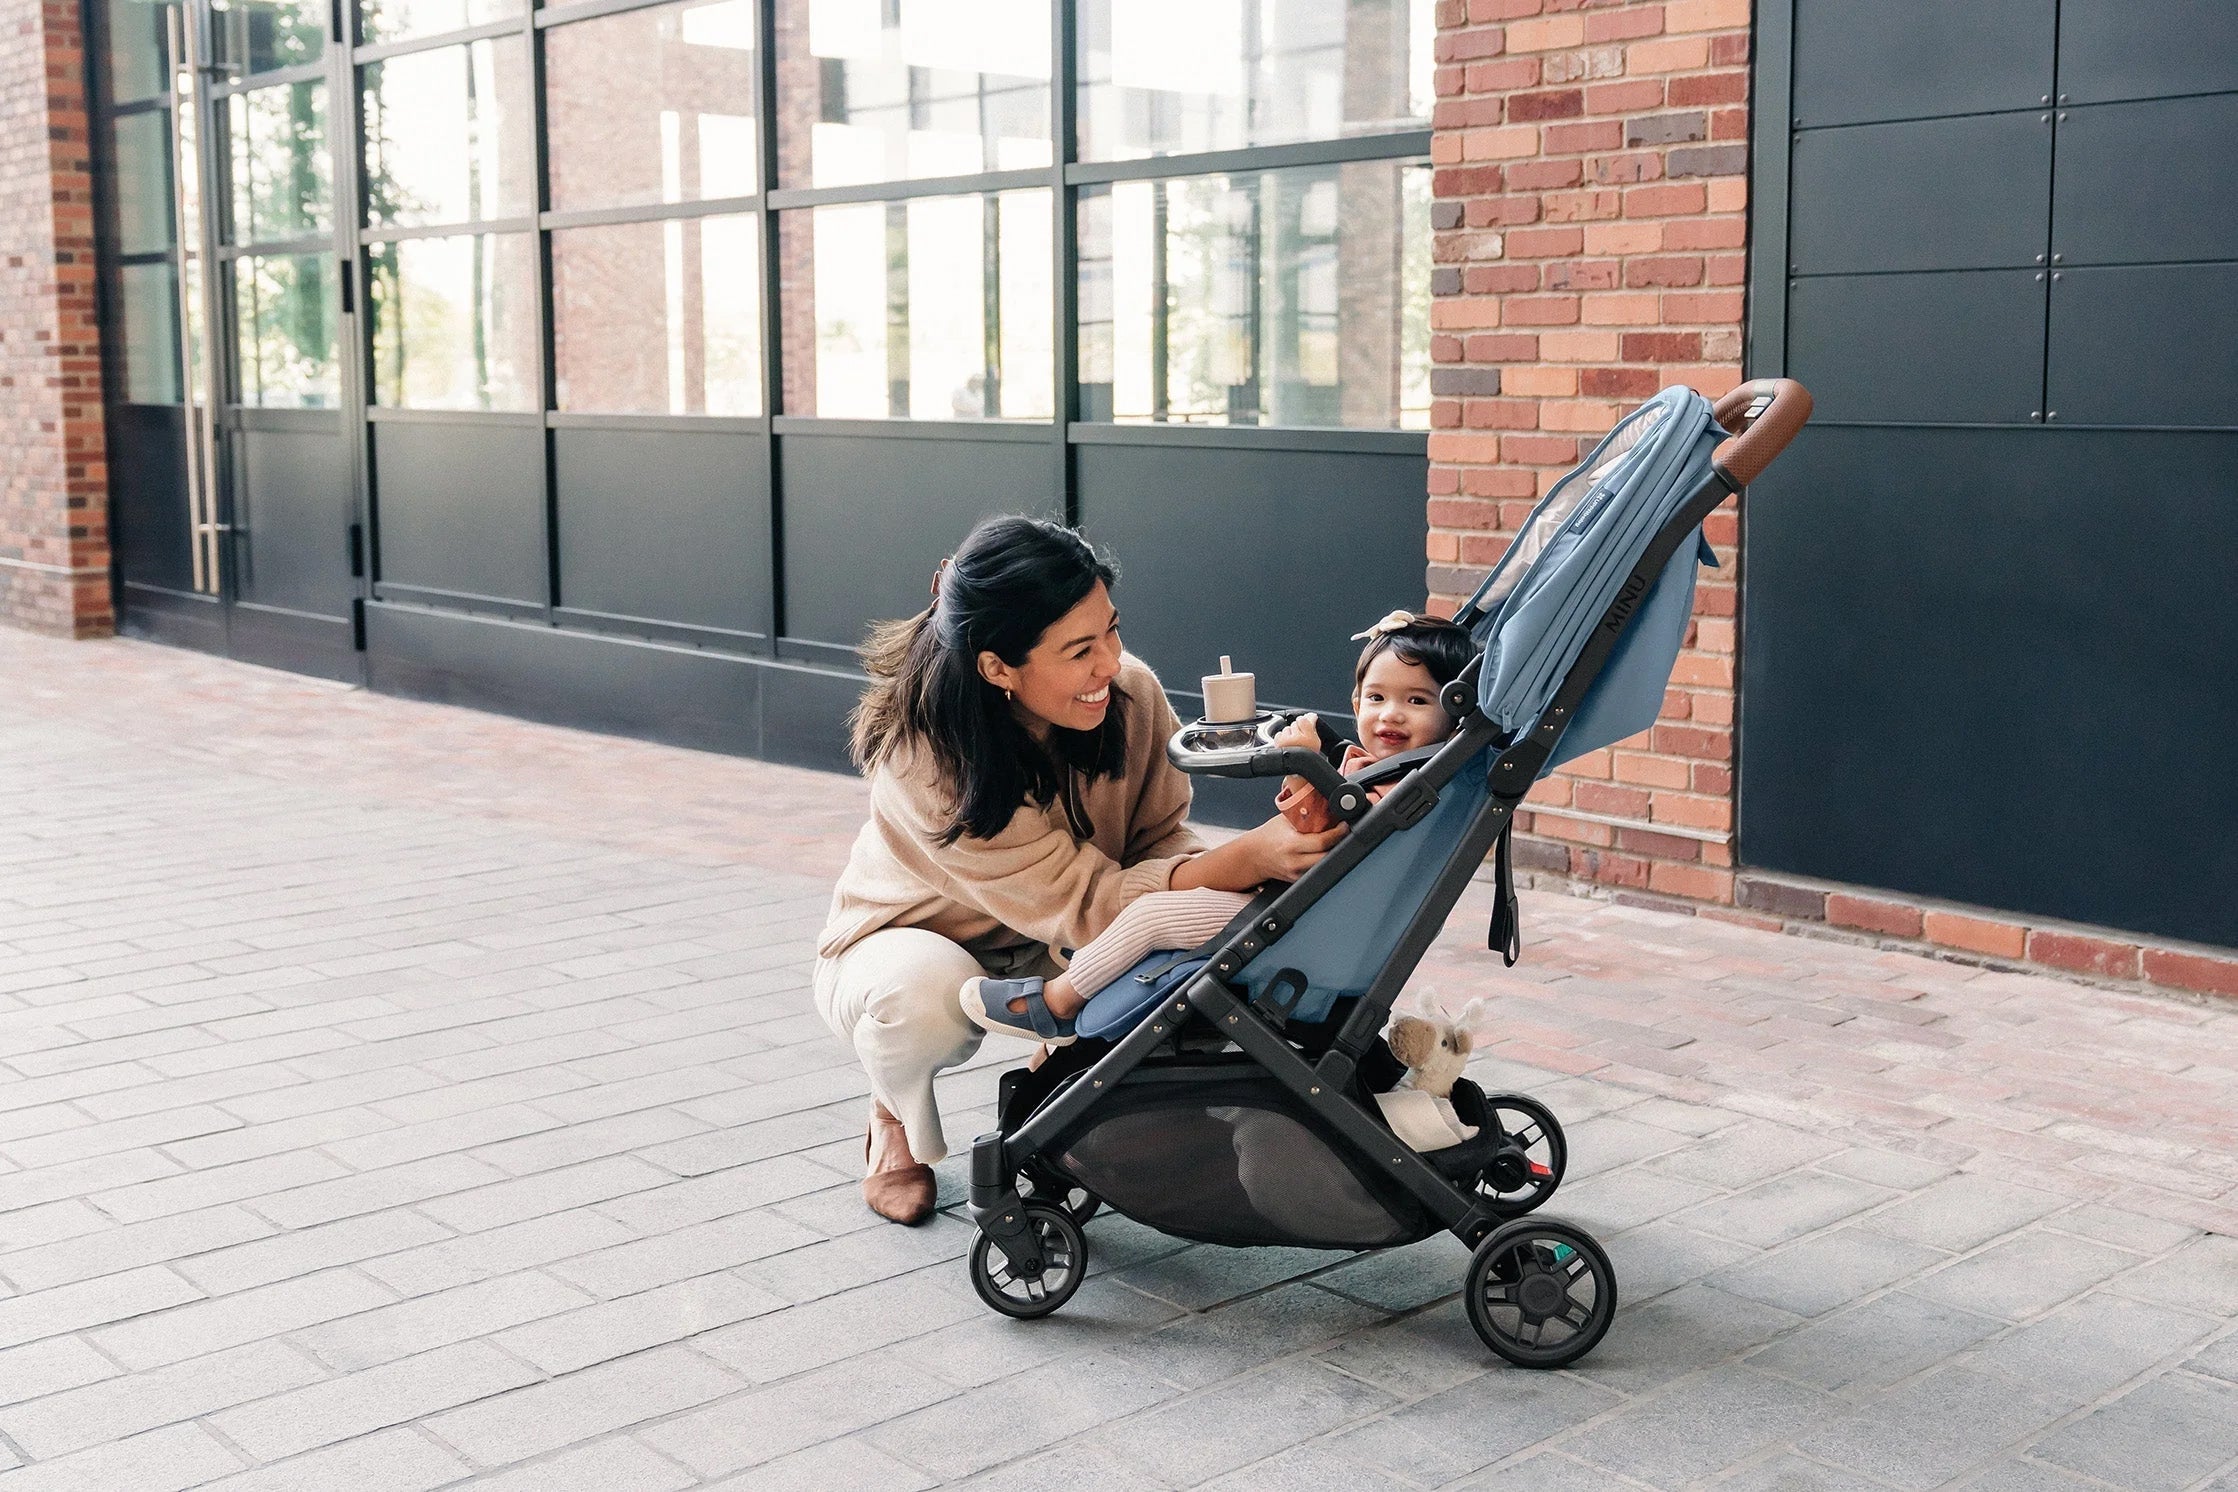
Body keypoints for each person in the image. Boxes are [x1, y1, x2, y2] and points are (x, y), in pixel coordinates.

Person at [814, 516, 1345, 1224]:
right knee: (925, 1000)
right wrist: (1242, 858)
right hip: (913, 939)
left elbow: (1159, 840)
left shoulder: (1130, 694)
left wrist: (1258, 858)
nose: (1109, 663)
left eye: (1111, 631)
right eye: (1079, 650)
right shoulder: (926, 755)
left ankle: (1052, 1095)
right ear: (998, 666)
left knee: (1180, 960)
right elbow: (1087, 905)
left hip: (1060, 938)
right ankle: (894, 1121)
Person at [960, 610, 1476, 1044]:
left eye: (1418, 701)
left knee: (1153, 916)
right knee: (1163, 910)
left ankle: (1055, 1004)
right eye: (1377, 698)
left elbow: (1319, 826)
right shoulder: (1385, 769)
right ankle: (1094, 972)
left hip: (1296, 919)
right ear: (1355, 703)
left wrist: (1301, 764)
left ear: (1454, 715)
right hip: (1297, 903)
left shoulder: (1404, 789)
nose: (1392, 715)